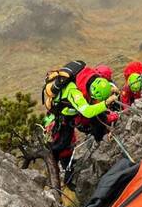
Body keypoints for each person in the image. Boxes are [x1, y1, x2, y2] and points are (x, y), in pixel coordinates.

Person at [45, 65, 118, 193]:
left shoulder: (92, 77)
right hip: (64, 114)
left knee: (99, 122)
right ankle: (53, 161)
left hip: (75, 108)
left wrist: (110, 88)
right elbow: (87, 112)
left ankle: (101, 141)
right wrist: (106, 103)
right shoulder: (74, 91)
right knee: (63, 143)